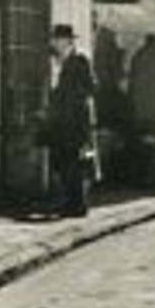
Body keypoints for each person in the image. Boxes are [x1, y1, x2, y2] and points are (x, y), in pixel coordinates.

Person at [46, 23, 98, 217]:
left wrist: (69, 98)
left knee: (74, 163)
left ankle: (77, 205)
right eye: (54, 40)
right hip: (63, 120)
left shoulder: (79, 61)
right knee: (64, 161)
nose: (55, 43)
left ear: (67, 41)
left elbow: (91, 87)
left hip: (75, 120)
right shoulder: (61, 62)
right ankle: (71, 202)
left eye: (58, 40)